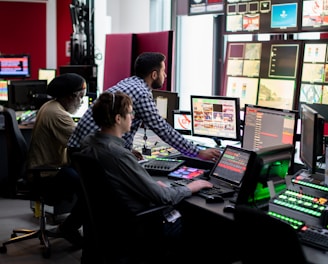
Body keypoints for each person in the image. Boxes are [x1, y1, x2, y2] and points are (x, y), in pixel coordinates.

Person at [79, 91, 214, 263]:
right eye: (130, 113)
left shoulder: (89, 142)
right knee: (205, 225)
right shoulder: (118, 155)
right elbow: (163, 196)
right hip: (139, 224)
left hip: (111, 224)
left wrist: (149, 185)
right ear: (118, 119)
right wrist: (192, 187)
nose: (133, 117)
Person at [67, 52, 221, 161]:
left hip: (80, 152)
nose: (165, 75)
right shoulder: (141, 93)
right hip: (94, 154)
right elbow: (163, 129)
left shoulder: (128, 82)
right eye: (163, 71)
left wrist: (127, 151)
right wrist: (198, 152)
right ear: (154, 75)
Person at [27, 73, 86, 248]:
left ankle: (69, 226)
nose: (81, 102)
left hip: (44, 170)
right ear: (71, 96)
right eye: (81, 97)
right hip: (47, 175)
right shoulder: (58, 115)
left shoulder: (50, 106)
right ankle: (69, 227)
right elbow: (85, 141)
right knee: (92, 188)